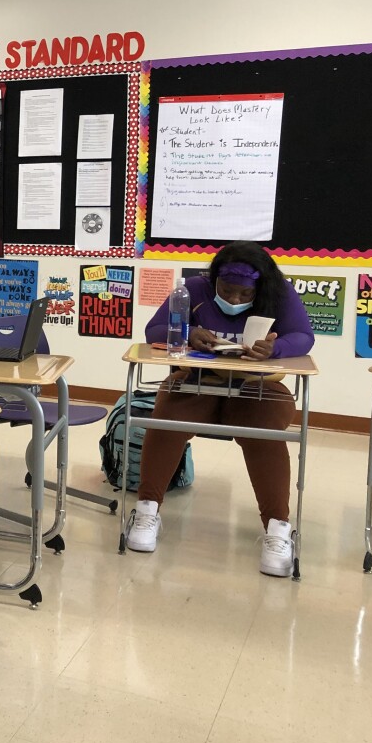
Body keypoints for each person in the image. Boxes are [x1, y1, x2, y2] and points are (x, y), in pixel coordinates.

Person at [126, 241, 315, 576]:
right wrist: (187, 332)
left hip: (257, 386)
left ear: (259, 288)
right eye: (227, 291)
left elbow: (303, 336)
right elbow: (153, 330)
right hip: (199, 381)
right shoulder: (192, 289)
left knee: (265, 435)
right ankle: (146, 510)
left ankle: (278, 529)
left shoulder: (280, 293)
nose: (235, 299)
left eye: (245, 294)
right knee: (165, 421)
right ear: (214, 280)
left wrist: (274, 349)